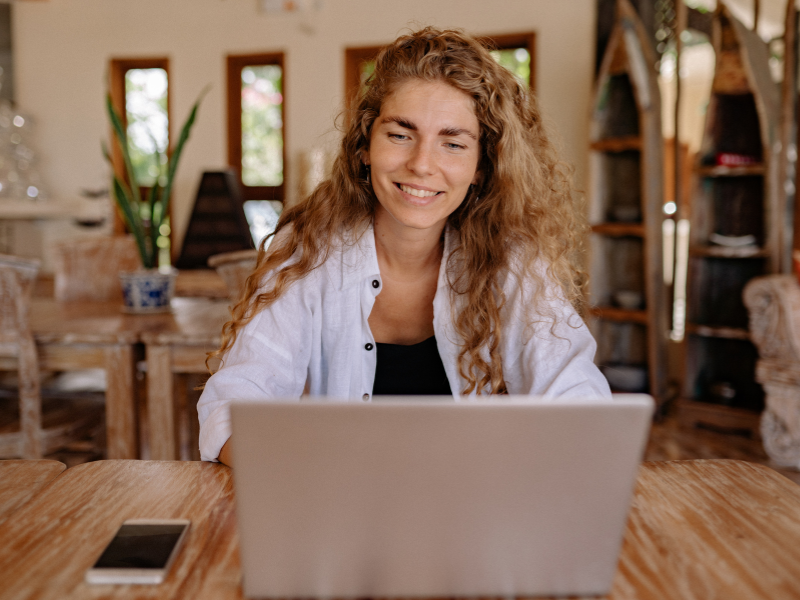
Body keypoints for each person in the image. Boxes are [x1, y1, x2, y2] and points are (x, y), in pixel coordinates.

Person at [198, 26, 611, 465]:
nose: (421, 165)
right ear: (364, 145)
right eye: (400, 135)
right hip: (339, 497)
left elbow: (578, 400)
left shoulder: (512, 260)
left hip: (475, 497)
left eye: (453, 143)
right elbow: (234, 406)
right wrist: (305, 471)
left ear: (481, 167)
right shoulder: (308, 249)